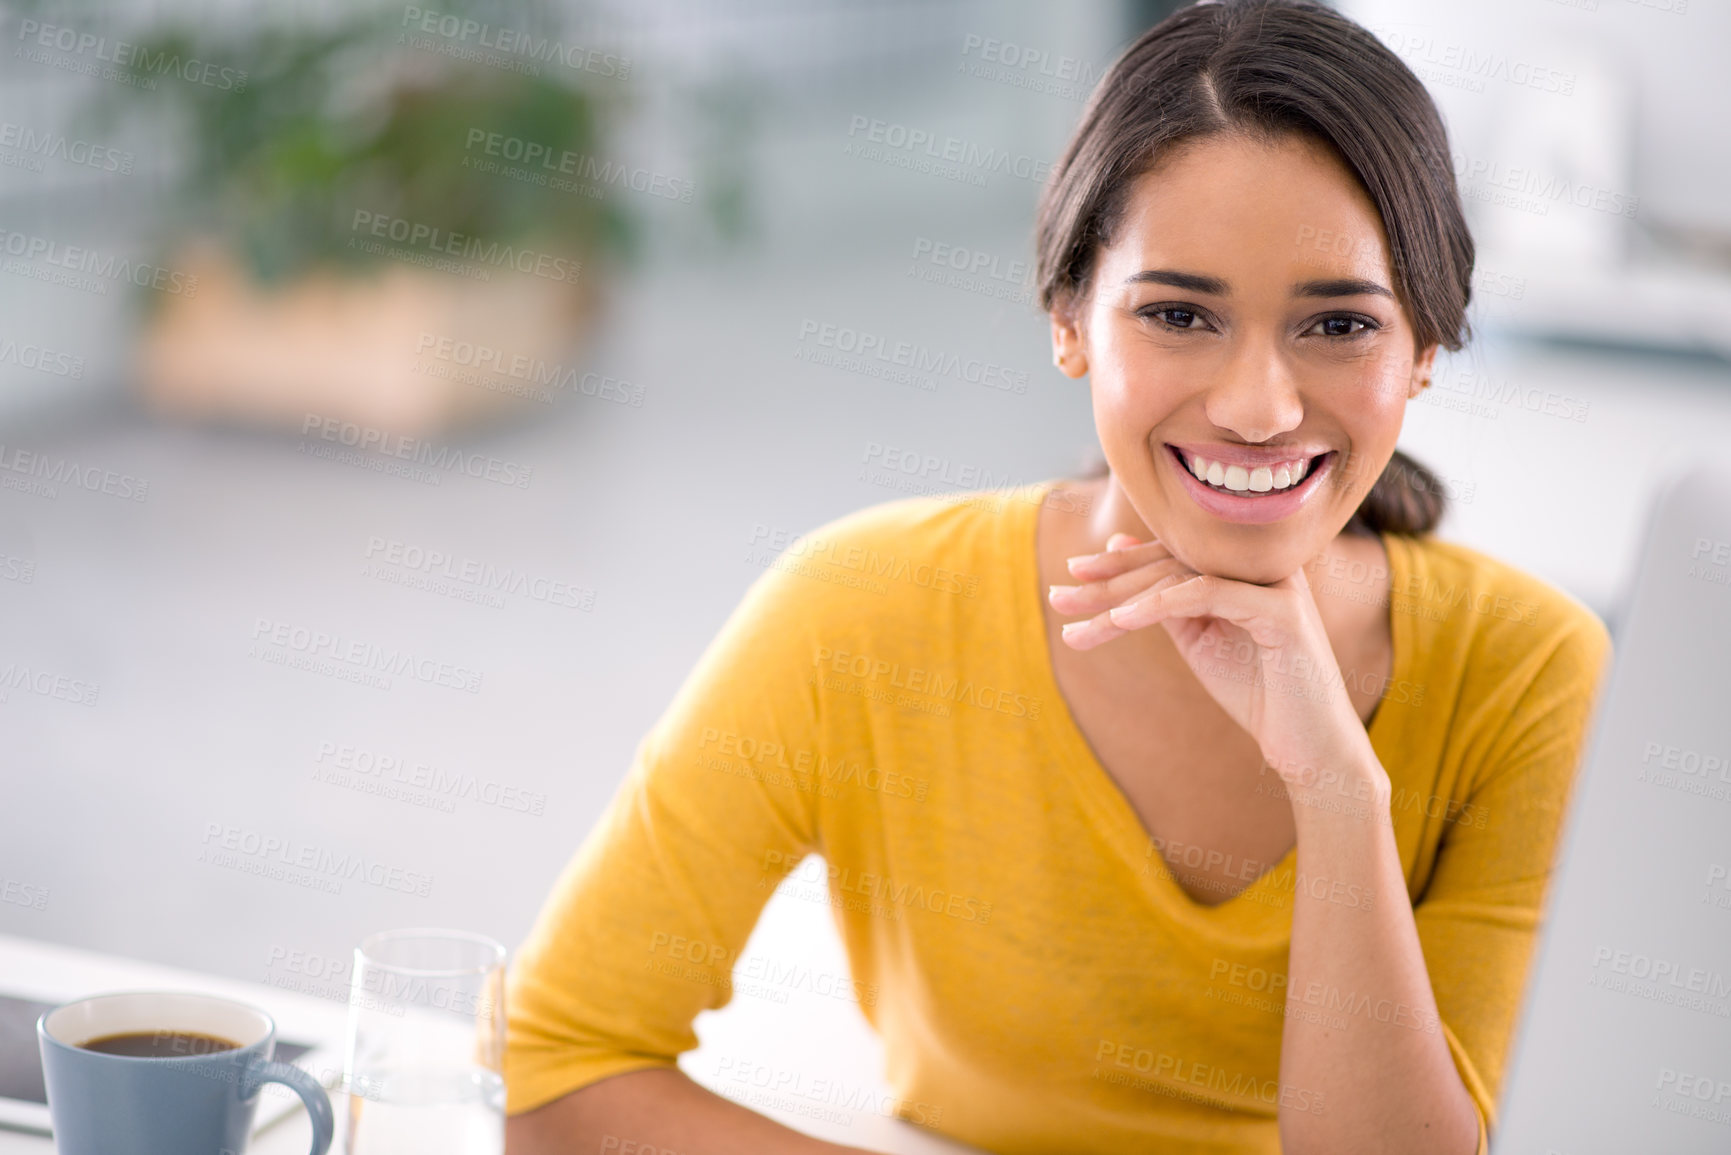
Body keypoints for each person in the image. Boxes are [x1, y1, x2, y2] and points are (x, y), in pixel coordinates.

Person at [503, 1, 1612, 1151]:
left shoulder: (1528, 670)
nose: (1259, 407)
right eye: (1179, 314)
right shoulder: (861, 609)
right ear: (1069, 316)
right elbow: (558, 1062)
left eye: (1338, 327)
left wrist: (1338, 790)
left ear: (1426, 352)